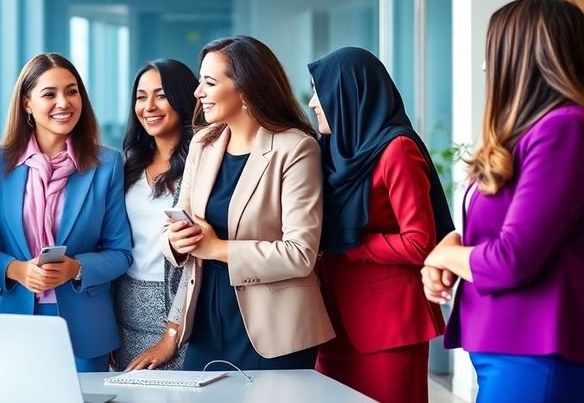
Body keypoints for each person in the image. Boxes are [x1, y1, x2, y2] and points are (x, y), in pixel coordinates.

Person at [423, 0, 584, 402]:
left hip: (536, 347)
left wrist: (443, 257)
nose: (484, 66)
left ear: (524, 58)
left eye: (493, 51)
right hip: (504, 344)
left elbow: (512, 259)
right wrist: (452, 248)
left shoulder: (565, 127)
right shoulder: (527, 136)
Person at [163, 35, 334, 371]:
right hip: (206, 318)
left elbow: (300, 254)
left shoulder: (296, 148)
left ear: (245, 90)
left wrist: (216, 248)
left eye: (209, 83)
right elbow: (175, 224)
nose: (198, 93)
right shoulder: (202, 143)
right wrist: (175, 241)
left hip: (274, 329)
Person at [307, 47, 451, 403]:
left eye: (319, 91)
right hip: (332, 321)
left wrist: (353, 245)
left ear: (348, 92)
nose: (312, 102)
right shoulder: (332, 153)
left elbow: (421, 242)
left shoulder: (397, 149)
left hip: (388, 327)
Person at [0, 53, 133, 372]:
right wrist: (16, 270)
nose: (63, 102)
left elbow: (121, 253)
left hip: (85, 327)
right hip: (11, 320)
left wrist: (75, 268)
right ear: (26, 103)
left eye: (72, 91)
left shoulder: (106, 164)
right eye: (49, 94)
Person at [114, 59, 199, 371]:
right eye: (141, 96)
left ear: (183, 99)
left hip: (183, 314)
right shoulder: (126, 167)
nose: (149, 106)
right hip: (125, 312)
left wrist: (172, 333)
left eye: (161, 95)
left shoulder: (202, 168)